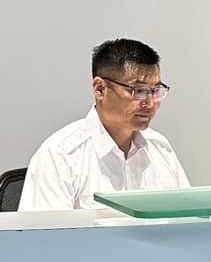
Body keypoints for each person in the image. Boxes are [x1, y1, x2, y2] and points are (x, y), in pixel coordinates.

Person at [22, 38, 189, 211]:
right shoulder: (61, 155)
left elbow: (188, 218)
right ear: (100, 89)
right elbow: (46, 228)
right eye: (138, 90)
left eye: (155, 91)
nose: (149, 102)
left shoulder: (161, 149)